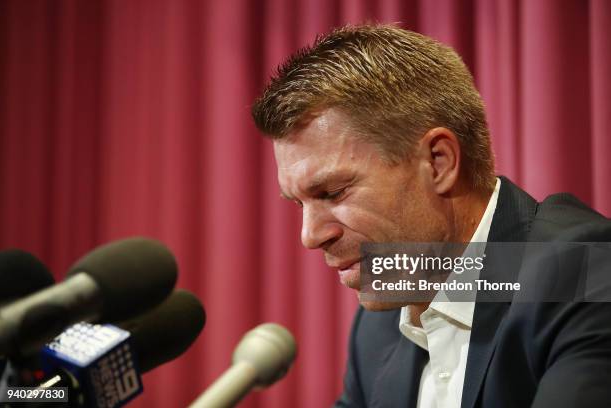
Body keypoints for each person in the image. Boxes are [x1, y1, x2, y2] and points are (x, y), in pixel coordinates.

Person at [251, 24, 611, 408]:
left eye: (332, 192)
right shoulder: (379, 324)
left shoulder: (583, 273)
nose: (310, 236)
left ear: (438, 162)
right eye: (298, 203)